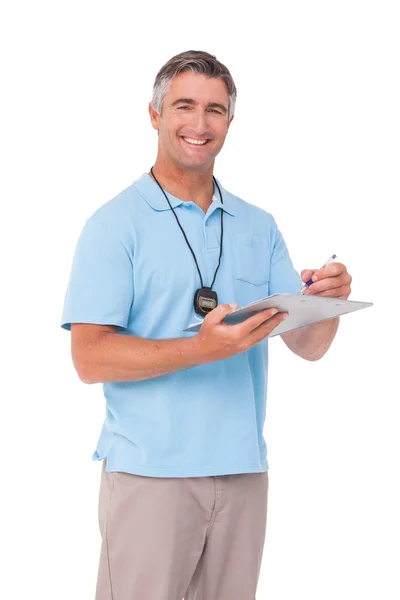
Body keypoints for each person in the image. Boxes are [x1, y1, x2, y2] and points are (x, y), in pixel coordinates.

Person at [60, 50, 352, 600]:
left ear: (230, 122)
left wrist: (330, 303)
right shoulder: (113, 225)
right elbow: (89, 358)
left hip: (243, 473)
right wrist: (200, 349)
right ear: (154, 115)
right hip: (150, 476)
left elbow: (309, 346)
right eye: (184, 106)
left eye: (215, 109)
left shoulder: (258, 226)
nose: (200, 124)